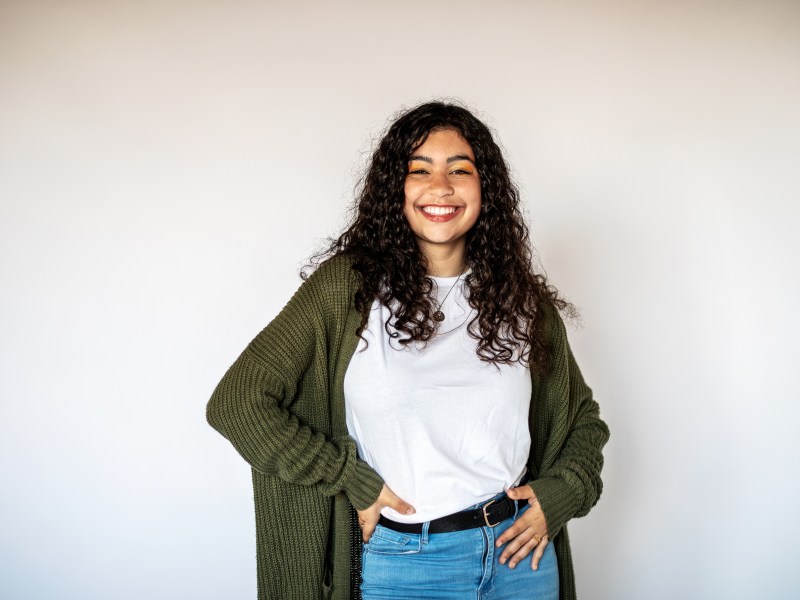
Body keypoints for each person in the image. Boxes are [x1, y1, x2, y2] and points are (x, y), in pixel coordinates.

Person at [207, 101, 609, 600]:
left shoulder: (520, 300)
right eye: (420, 170)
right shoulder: (348, 292)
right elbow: (237, 402)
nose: (441, 187)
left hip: (520, 560)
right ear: (395, 189)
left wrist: (561, 494)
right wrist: (347, 476)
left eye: (460, 170)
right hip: (407, 565)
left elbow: (582, 420)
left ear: (487, 190)